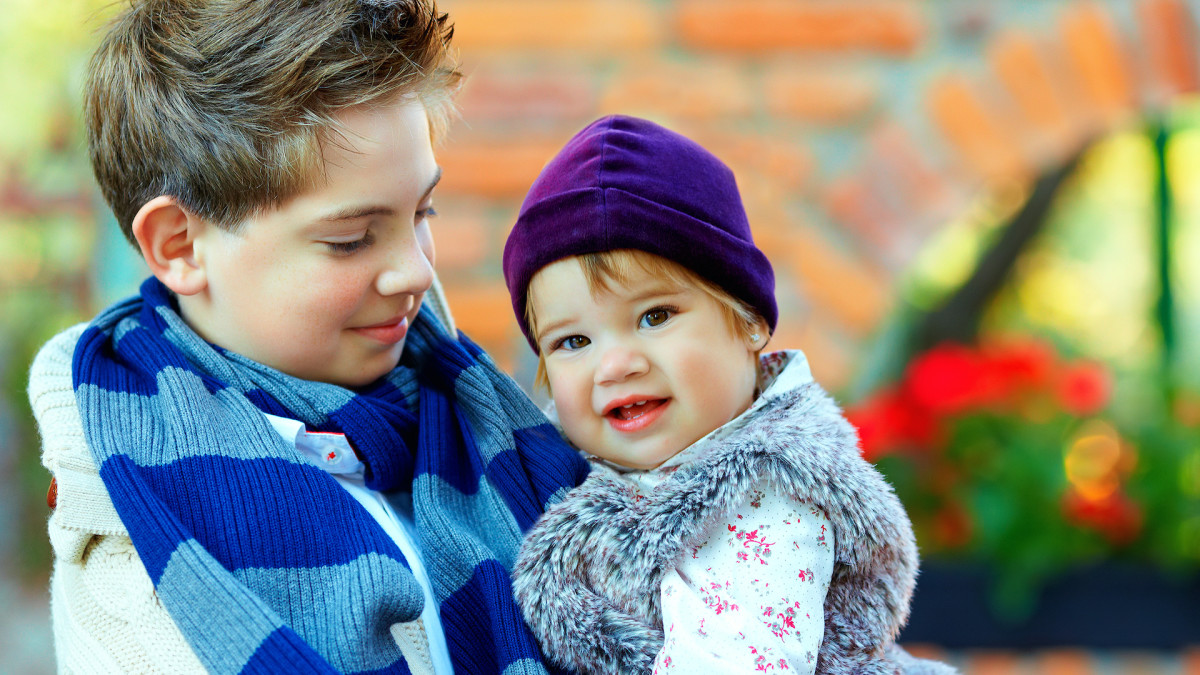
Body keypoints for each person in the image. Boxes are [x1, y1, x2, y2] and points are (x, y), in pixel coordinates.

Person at [27, 1, 590, 672]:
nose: (416, 268)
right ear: (179, 244)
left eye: (422, 211)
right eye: (350, 239)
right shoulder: (129, 542)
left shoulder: (477, 420)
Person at [504, 115, 957, 675]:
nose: (616, 364)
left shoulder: (772, 496)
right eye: (574, 341)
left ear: (747, 321)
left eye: (655, 315)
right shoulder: (558, 471)